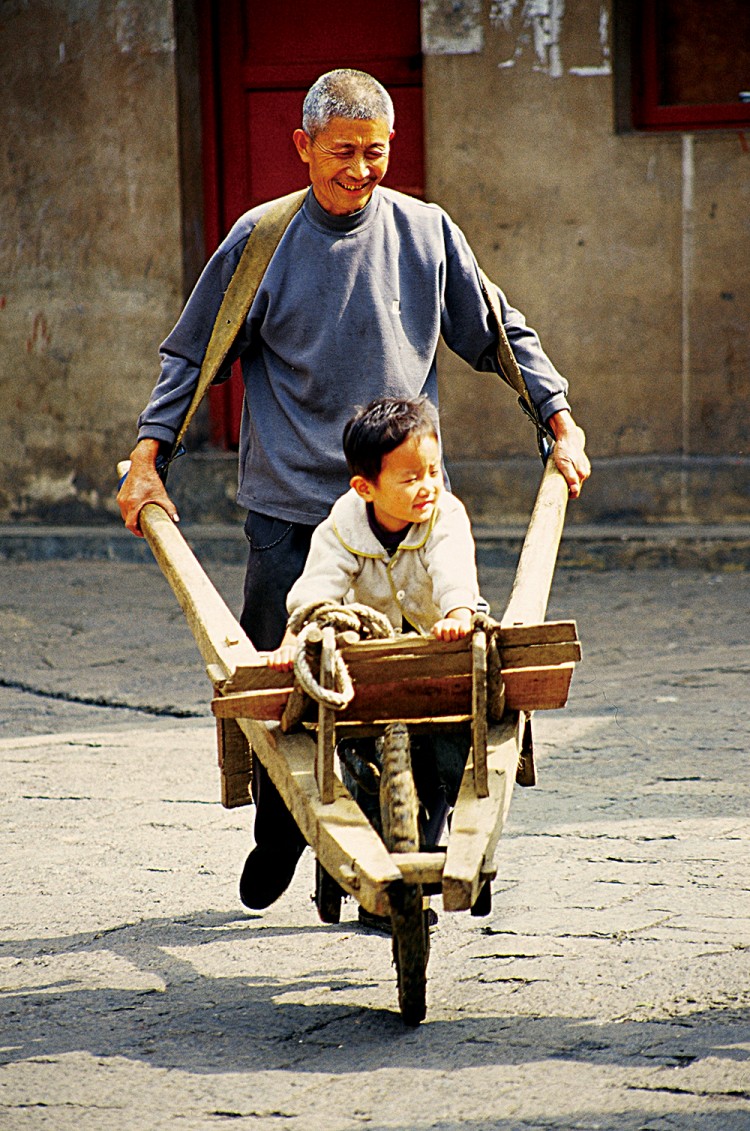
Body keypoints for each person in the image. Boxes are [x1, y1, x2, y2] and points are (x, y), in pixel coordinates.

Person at [117, 67, 590, 912]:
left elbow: (500, 333)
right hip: (292, 511)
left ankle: (427, 837)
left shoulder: (426, 233)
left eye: (377, 152)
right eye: (342, 152)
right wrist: (151, 457)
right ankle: (280, 830)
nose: (361, 170)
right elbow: (193, 356)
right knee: (281, 692)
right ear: (302, 147)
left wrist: (556, 418)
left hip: (406, 506)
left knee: (439, 678)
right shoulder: (260, 241)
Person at [267, 395, 479, 671]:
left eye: (433, 471)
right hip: (372, 645)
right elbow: (316, 589)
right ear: (365, 489)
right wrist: (292, 643)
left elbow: (452, 572)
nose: (428, 486)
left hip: (437, 637)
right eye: (411, 479)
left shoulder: (445, 515)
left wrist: (458, 618)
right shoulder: (342, 526)